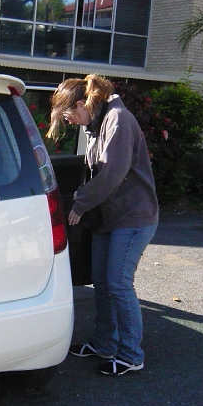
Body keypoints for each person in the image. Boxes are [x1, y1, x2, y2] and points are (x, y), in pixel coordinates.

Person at [48, 74, 159, 376]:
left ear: (81, 104)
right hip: (110, 218)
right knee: (103, 283)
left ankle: (130, 355)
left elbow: (111, 175)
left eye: (68, 115)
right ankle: (105, 344)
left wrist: (80, 205)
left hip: (133, 217)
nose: (69, 121)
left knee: (119, 284)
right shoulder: (95, 124)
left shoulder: (118, 120)